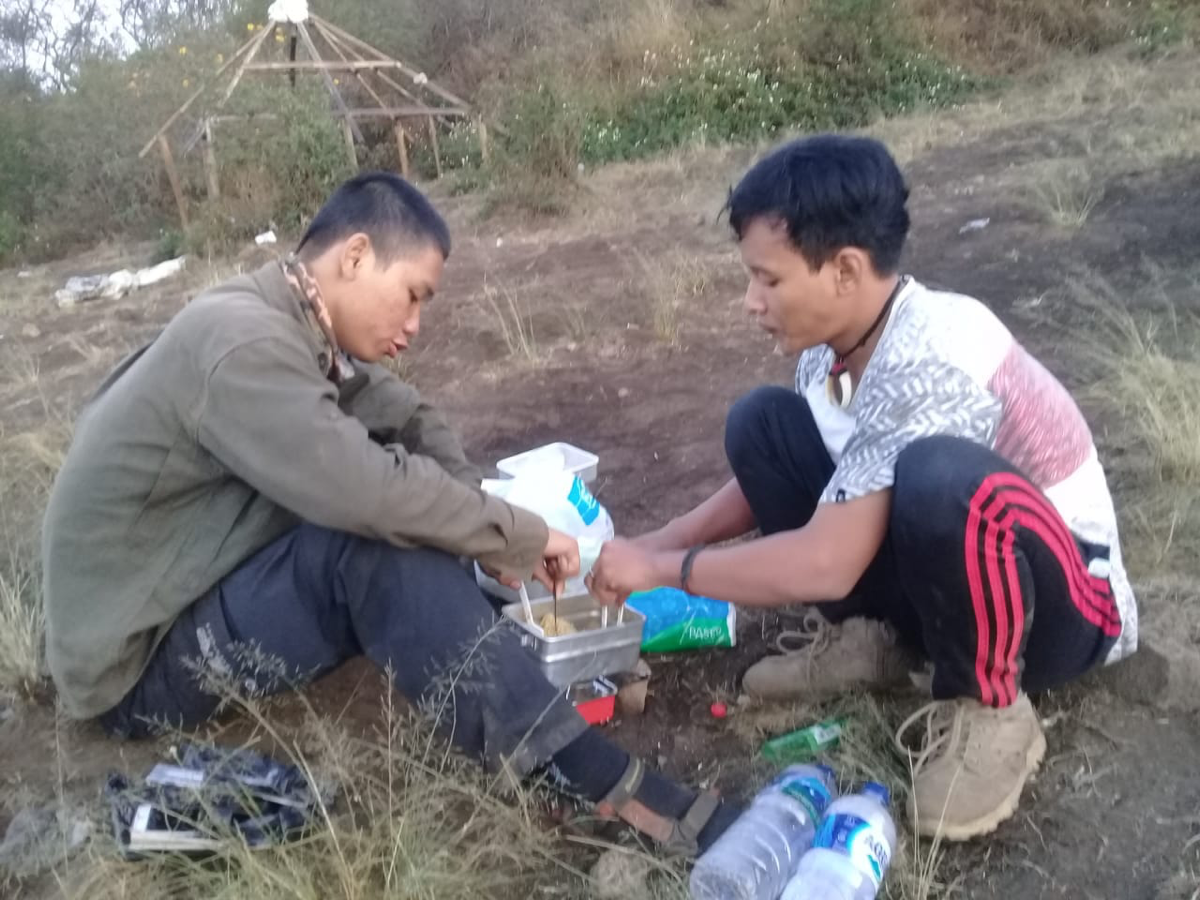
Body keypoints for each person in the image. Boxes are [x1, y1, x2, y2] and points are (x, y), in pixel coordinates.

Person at [42, 172, 738, 855]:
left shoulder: (286, 319)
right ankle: (586, 776)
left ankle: (487, 656)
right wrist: (514, 535)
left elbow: (410, 416)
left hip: (181, 595)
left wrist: (483, 521)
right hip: (137, 669)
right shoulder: (246, 344)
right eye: (411, 295)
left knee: (423, 511)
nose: (414, 325)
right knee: (375, 543)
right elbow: (369, 492)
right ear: (354, 256)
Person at [586, 135, 1137, 841]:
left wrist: (665, 572)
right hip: (958, 584)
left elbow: (828, 558)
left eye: (769, 280)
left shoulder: (932, 356)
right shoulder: (832, 349)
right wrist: (660, 540)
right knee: (764, 425)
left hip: (1059, 615)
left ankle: (992, 707)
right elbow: (812, 483)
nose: (750, 302)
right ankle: (874, 641)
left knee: (940, 479)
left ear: (844, 269)